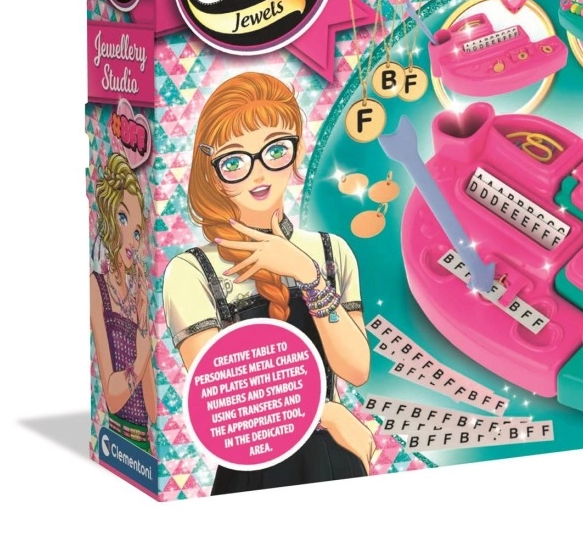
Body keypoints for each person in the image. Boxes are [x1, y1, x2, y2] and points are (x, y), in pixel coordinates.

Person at [162, 71, 375, 494]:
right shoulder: (191, 272)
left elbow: (357, 368)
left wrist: (307, 274)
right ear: (212, 171)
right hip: (255, 468)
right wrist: (330, 415)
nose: (258, 174)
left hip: (335, 459)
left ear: (297, 152)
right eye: (235, 161)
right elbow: (224, 402)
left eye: (276, 150)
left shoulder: (331, 252)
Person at [89, 153, 157, 454]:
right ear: (107, 217)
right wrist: (142, 356)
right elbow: (113, 397)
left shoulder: (139, 297)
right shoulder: (97, 287)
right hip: (116, 439)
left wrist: (144, 324)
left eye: (138, 231)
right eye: (123, 218)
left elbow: (153, 411)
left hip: (144, 444)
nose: (132, 238)